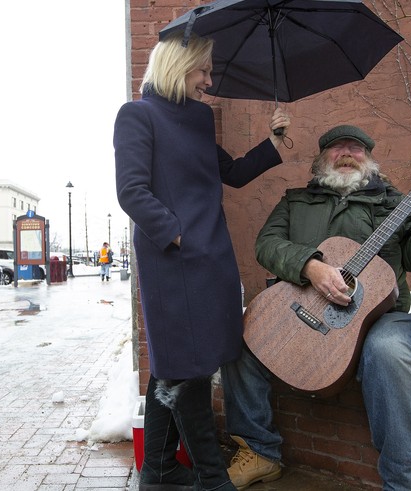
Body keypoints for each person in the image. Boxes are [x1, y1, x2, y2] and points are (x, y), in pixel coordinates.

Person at [221, 125, 411, 490]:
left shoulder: (397, 202)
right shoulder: (295, 200)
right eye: (336, 148)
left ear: (369, 159)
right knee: (237, 338)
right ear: (320, 160)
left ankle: (404, 483)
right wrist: (310, 266)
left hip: (380, 318)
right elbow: (267, 244)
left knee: (391, 355)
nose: (346, 153)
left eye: (356, 148)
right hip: (302, 305)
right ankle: (259, 450)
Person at [114, 31, 291, 491]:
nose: (209, 81)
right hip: (172, 263)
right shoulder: (138, 116)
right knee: (186, 366)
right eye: (203, 70)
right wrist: (178, 235)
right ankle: (212, 478)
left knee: (174, 366)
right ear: (178, 66)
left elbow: (228, 172)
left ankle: (158, 471)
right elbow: (132, 191)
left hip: (211, 259)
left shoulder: (196, 119)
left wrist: (272, 142)